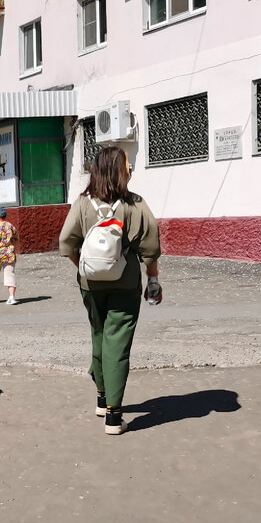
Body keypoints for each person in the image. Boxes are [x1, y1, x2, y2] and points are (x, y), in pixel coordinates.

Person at [58, 146, 161, 435]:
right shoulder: (135, 205)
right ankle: (114, 417)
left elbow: (66, 242)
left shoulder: (82, 204)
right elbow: (150, 250)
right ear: (119, 171)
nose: (130, 171)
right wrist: (153, 281)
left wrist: (84, 267)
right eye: (128, 167)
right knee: (117, 342)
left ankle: (102, 398)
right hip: (125, 283)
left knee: (99, 334)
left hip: (90, 284)